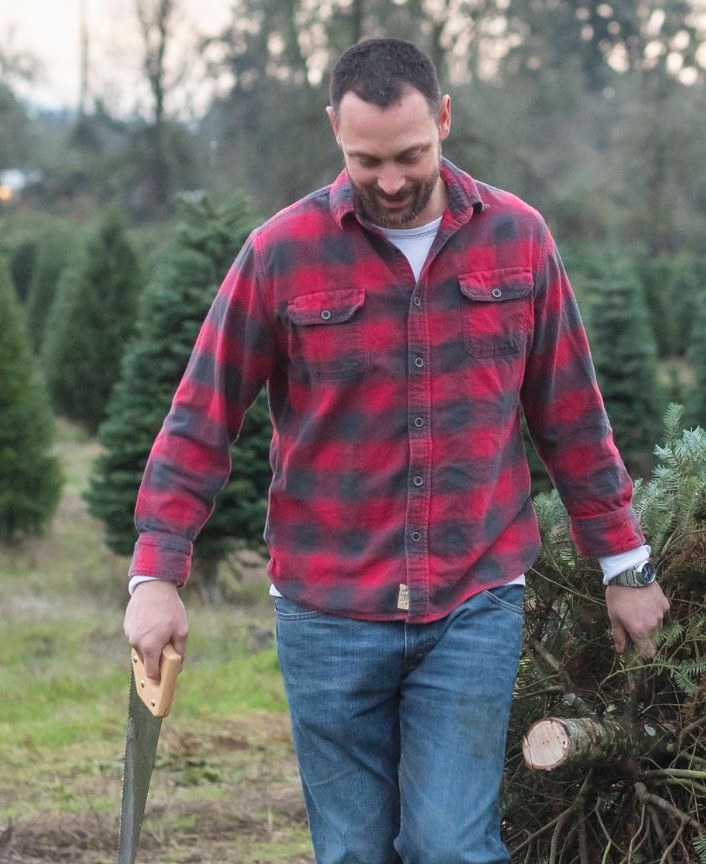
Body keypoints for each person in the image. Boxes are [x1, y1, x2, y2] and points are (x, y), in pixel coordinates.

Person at [119, 38, 668, 864]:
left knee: (452, 845)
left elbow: (573, 417)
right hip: (327, 608)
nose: (391, 180)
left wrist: (625, 565)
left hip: (473, 598)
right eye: (365, 159)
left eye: (412, 154)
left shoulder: (518, 240)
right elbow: (201, 416)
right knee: (353, 852)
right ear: (334, 130)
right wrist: (157, 574)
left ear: (444, 120)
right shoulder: (280, 252)